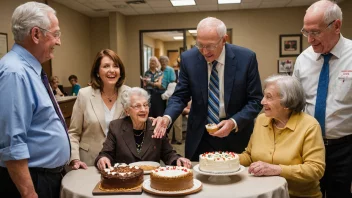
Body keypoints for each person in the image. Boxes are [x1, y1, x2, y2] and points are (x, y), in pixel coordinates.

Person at [152, 17, 263, 161]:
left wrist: (233, 122)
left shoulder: (246, 58)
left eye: (210, 46)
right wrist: (167, 117)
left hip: (236, 135)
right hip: (200, 136)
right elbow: (180, 96)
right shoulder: (189, 59)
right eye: (200, 45)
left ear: (224, 40)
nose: (204, 51)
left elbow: (255, 100)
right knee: (199, 180)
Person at [0, 2, 70, 198]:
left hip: (45, 177)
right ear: (36, 34)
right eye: (55, 34)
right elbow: (12, 144)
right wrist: (29, 193)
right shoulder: (15, 73)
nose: (59, 41)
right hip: (33, 182)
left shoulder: (31, 70)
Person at [293, 1, 352, 197]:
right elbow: (296, 103)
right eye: (306, 32)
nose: (309, 39)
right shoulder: (303, 59)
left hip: (344, 148)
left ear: (336, 25)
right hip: (309, 146)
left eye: (315, 32)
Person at [239, 75, 325, 198]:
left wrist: (277, 169)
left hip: (297, 195)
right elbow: (249, 156)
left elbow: (315, 169)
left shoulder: (309, 126)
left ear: (287, 102)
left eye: (269, 97)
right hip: (263, 193)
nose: (262, 101)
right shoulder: (261, 120)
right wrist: (226, 159)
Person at [95, 87, 191, 170]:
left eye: (145, 105)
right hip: (125, 180)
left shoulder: (156, 126)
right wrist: (103, 159)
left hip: (152, 180)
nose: (143, 110)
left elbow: (168, 153)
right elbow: (106, 153)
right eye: (137, 106)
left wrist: (177, 159)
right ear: (127, 111)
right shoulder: (116, 127)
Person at [68, 49, 129, 169]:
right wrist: (75, 159)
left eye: (115, 66)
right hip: (89, 163)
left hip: (121, 163)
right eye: (106, 66)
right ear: (97, 72)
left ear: (120, 71)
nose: (111, 70)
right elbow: (74, 133)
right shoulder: (84, 95)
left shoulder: (129, 94)